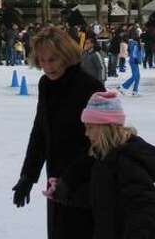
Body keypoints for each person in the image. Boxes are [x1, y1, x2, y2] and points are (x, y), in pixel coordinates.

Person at [12, 26, 104, 239]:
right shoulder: (46, 85)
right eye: (42, 60)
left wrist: (70, 180)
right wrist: (28, 175)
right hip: (56, 180)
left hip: (87, 181)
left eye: (52, 59)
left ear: (66, 56)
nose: (46, 66)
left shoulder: (90, 87)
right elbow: (40, 132)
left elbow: (102, 144)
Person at [48, 91, 155, 239]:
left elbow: (145, 209)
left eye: (90, 127)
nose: (86, 133)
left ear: (106, 128)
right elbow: (100, 197)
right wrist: (63, 192)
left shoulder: (126, 162)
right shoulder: (104, 159)